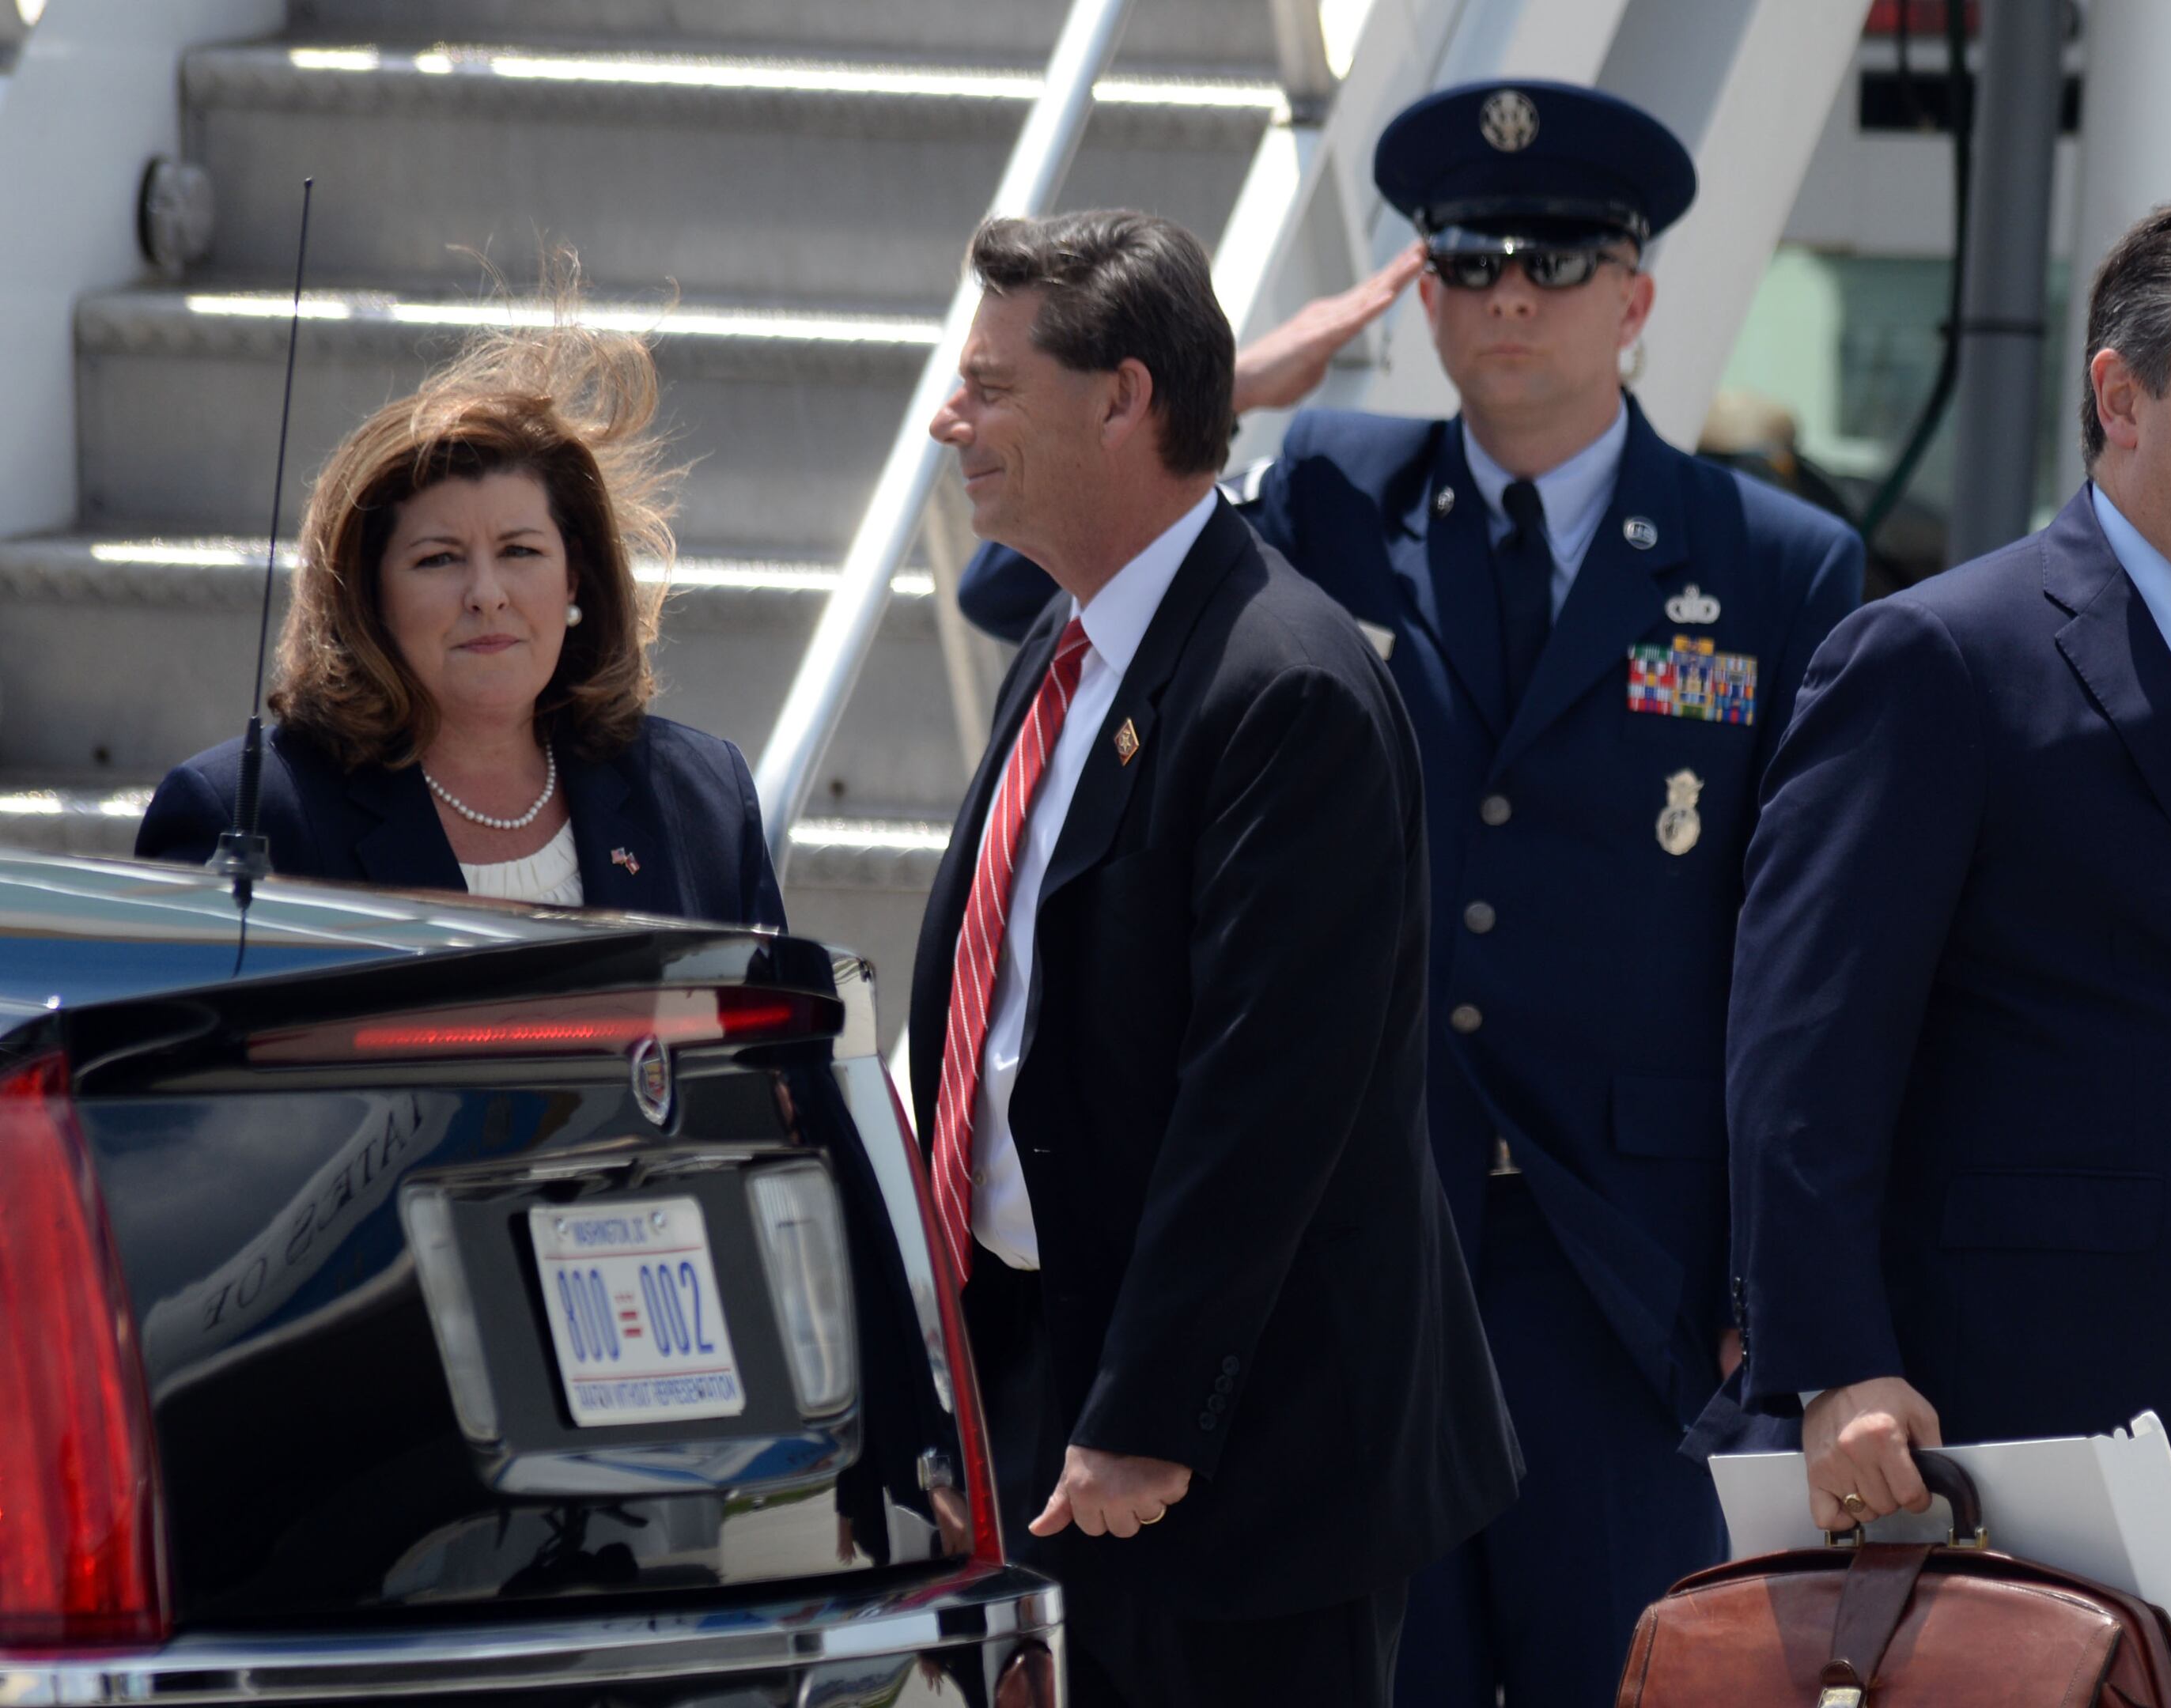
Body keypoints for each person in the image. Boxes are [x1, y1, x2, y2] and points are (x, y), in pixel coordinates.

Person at [960, 81, 1866, 1708]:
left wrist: (1769, 1289)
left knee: (1622, 1674)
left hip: (1622, 1266)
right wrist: (1218, 390)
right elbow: (1013, 573)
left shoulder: (1774, 560)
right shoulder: (1329, 489)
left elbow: (1796, 955)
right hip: (1361, 1251)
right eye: (1468, 256)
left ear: (1639, 296)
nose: (1512, 293)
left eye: (1562, 258)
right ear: (1422, 291)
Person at [1725, 202, 2171, 1708]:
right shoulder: (1940, 659)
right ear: (2120, 396)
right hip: (2042, 1446)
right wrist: (1830, 1362)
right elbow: (1806, 1046)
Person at [907, 206, 1519, 1708]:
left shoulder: (1281, 683)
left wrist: (1146, 1417)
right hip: (1064, 1407)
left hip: (1233, 1469)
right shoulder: (1070, 655)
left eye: (990, 384)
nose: (950, 417)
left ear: (1120, 398)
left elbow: (1267, 1097)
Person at [137, 316, 785, 927]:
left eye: (520, 552)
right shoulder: (244, 814)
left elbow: (785, 1042)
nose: (487, 594)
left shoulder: (700, 795)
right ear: (369, 596)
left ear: (574, 579)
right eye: (439, 559)